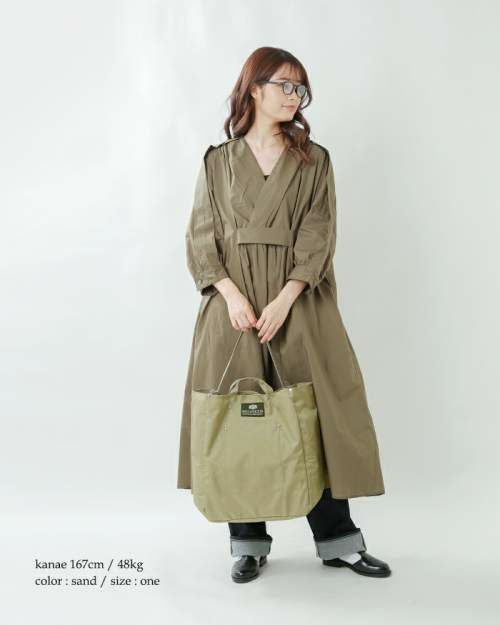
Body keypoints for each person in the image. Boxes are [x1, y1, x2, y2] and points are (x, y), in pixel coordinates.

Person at [177, 46, 391, 583]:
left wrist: (284, 298)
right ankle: (247, 543)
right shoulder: (218, 161)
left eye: (301, 88)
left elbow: (319, 232)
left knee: (315, 419)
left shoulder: (314, 160)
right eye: (285, 85)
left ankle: (338, 542)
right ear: (255, 89)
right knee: (239, 420)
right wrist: (232, 296)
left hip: (300, 303)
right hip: (234, 312)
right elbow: (202, 237)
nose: (295, 96)